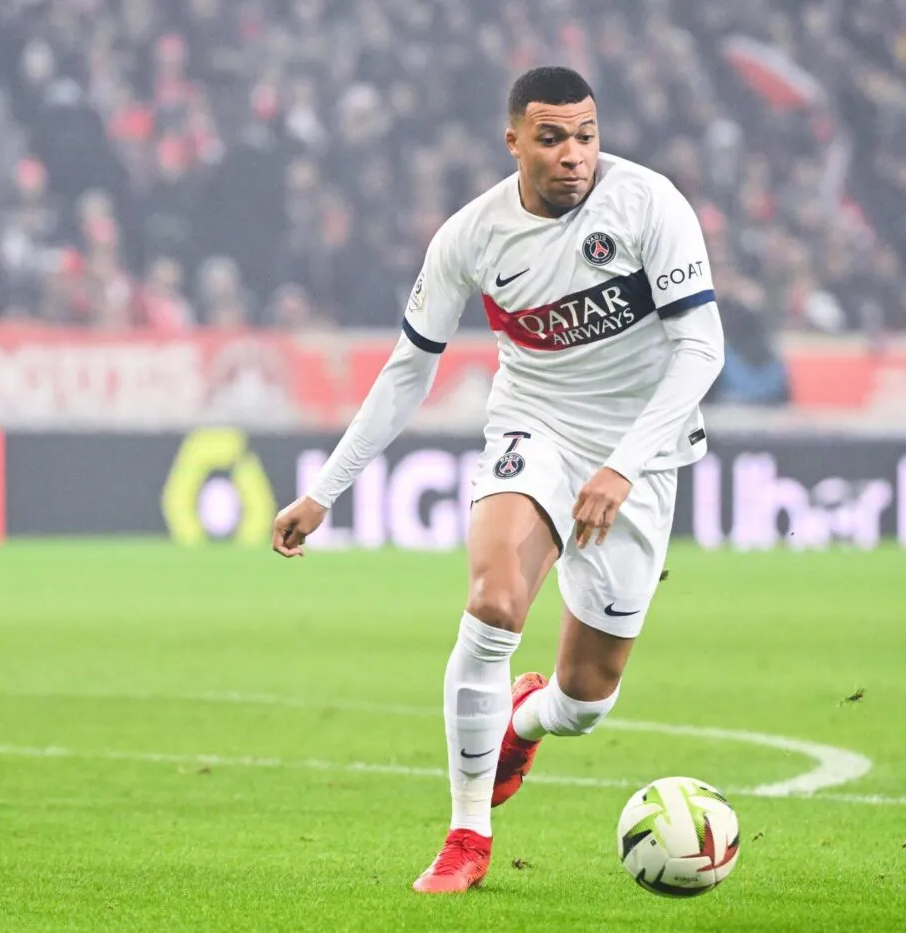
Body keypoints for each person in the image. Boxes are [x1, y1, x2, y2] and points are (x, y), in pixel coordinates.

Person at [270, 66, 725, 894]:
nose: (573, 154)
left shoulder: (649, 203)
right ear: (513, 140)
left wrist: (622, 465)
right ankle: (467, 833)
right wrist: (323, 490)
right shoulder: (471, 237)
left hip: (640, 448)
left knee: (586, 698)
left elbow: (702, 350)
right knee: (492, 602)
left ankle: (526, 717)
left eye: (585, 134)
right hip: (535, 426)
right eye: (551, 137)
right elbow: (408, 372)